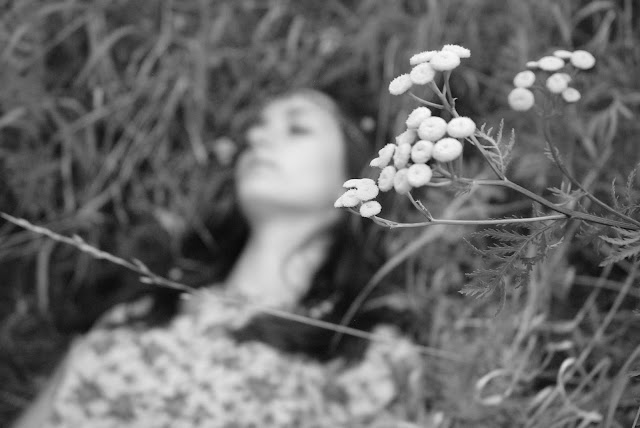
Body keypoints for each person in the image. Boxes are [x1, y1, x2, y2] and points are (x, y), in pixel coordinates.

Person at [11, 88, 421, 427]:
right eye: (257, 129)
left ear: (362, 176)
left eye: (297, 128)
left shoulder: (369, 357)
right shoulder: (142, 309)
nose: (258, 138)